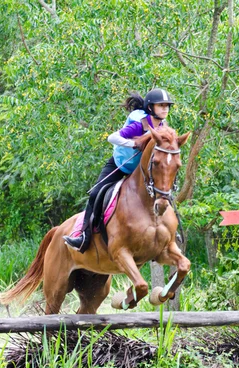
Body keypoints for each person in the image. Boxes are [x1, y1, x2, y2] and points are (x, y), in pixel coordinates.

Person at [63, 88, 175, 252]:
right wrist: (134, 143)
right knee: (95, 193)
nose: (165, 108)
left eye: (167, 105)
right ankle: (83, 235)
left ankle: (167, 235)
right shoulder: (141, 124)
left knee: (162, 194)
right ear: (150, 108)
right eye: (161, 105)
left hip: (140, 171)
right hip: (120, 165)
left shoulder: (164, 127)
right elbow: (112, 138)